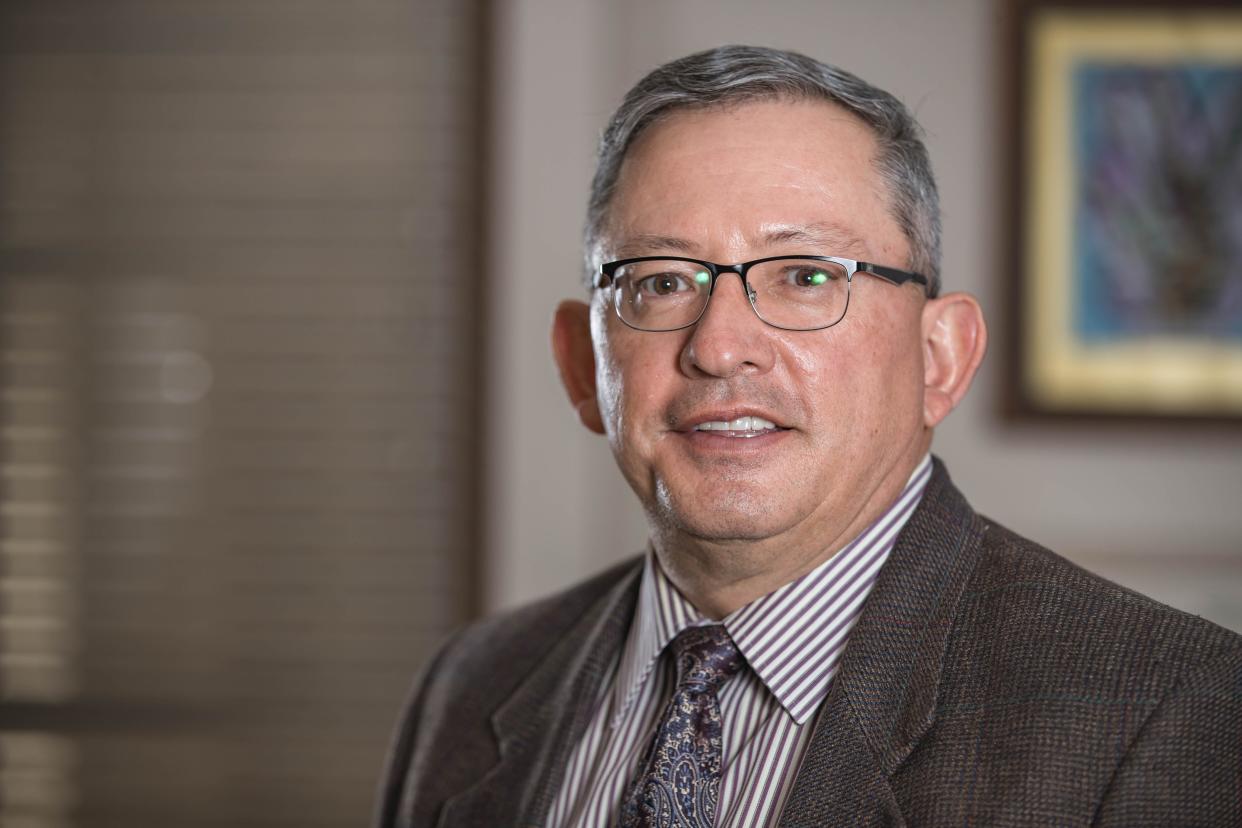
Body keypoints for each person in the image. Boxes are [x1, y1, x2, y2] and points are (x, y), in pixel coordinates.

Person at [375, 45, 1242, 827]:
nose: (718, 348)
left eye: (805, 276)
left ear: (940, 357)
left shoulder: (1170, 711)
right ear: (580, 363)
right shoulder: (471, 685)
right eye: (664, 281)